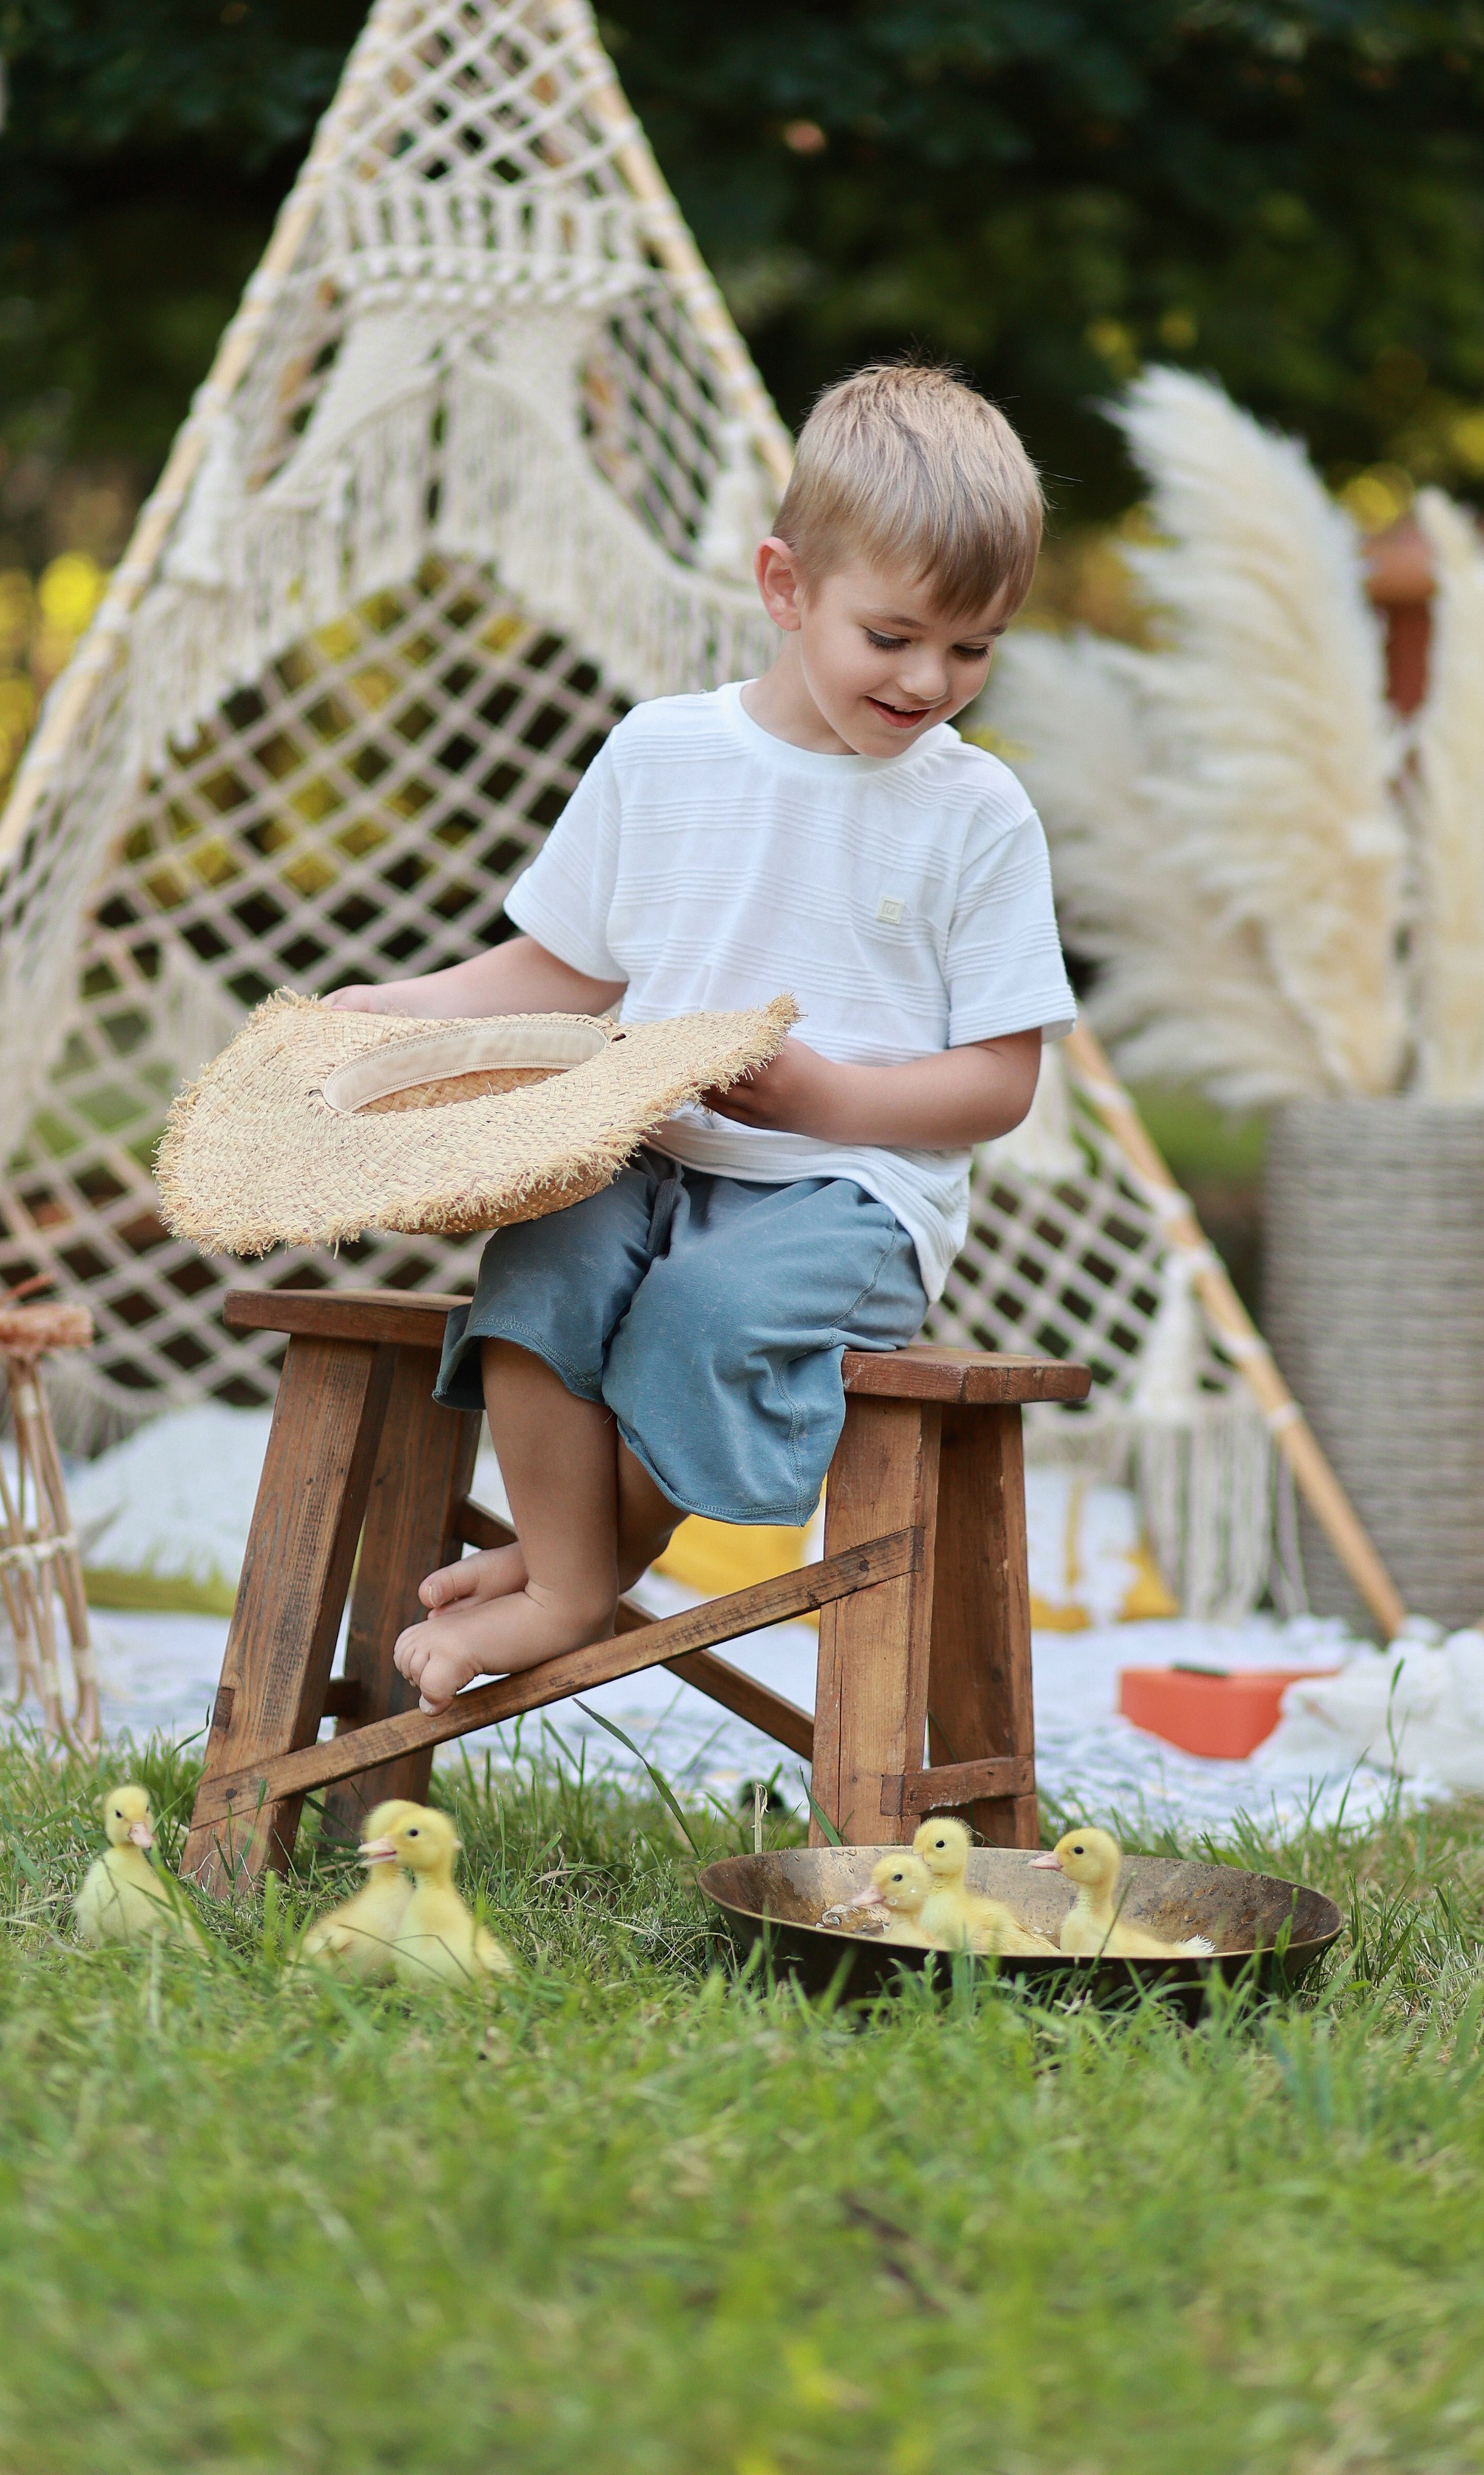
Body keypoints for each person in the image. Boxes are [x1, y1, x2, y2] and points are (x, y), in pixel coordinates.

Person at [327, 362, 1076, 1708]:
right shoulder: (665, 754)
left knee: (703, 1317)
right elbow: (561, 966)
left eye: (974, 649)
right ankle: (569, 1575)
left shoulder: (977, 813)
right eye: (894, 635)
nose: (931, 680)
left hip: (848, 1198)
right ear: (786, 588)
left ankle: (566, 1579)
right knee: (538, 1272)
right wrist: (403, 1010)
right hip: (649, 1149)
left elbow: (1001, 1082)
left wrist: (826, 1101)